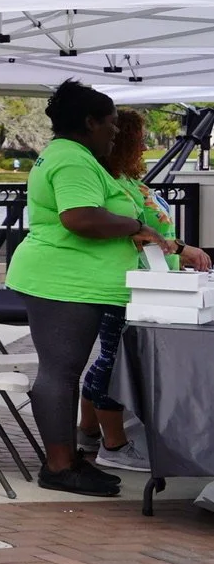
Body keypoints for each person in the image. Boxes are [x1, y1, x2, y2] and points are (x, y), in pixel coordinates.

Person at [7, 82, 205, 495]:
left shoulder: (78, 157)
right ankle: (59, 467)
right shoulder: (74, 161)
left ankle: (68, 458)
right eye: (111, 124)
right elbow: (79, 217)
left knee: (66, 371)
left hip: (77, 281)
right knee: (60, 372)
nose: (115, 133)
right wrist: (138, 226)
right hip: (63, 282)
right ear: (89, 122)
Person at [75, 109, 210, 472]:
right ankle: (113, 444)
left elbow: (153, 235)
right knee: (111, 361)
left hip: (144, 286)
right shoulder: (109, 184)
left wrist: (178, 251)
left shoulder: (127, 181)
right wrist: (180, 250)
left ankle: (88, 432)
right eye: (140, 139)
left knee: (107, 359)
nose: (147, 145)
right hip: (122, 286)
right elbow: (135, 232)